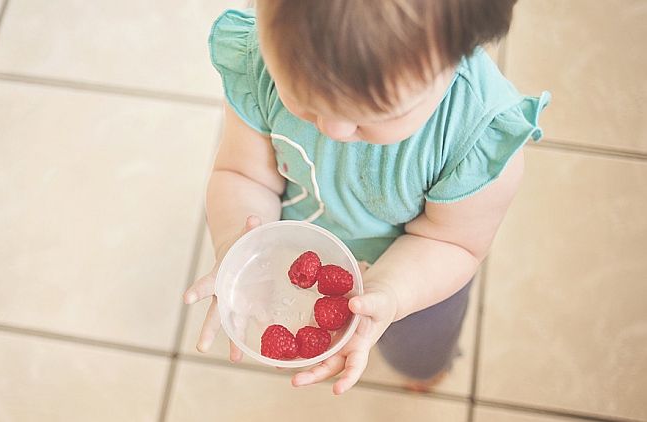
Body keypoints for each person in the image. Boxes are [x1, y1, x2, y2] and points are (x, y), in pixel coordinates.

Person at [183, 0, 549, 395]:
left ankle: (424, 371)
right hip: (303, 241)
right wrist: (238, 243)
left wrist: (390, 292)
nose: (333, 129)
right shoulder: (262, 61)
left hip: (418, 275)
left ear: (458, 53)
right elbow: (244, 174)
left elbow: (452, 242)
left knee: (418, 350)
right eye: (304, 100)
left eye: (374, 114)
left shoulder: (475, 136)